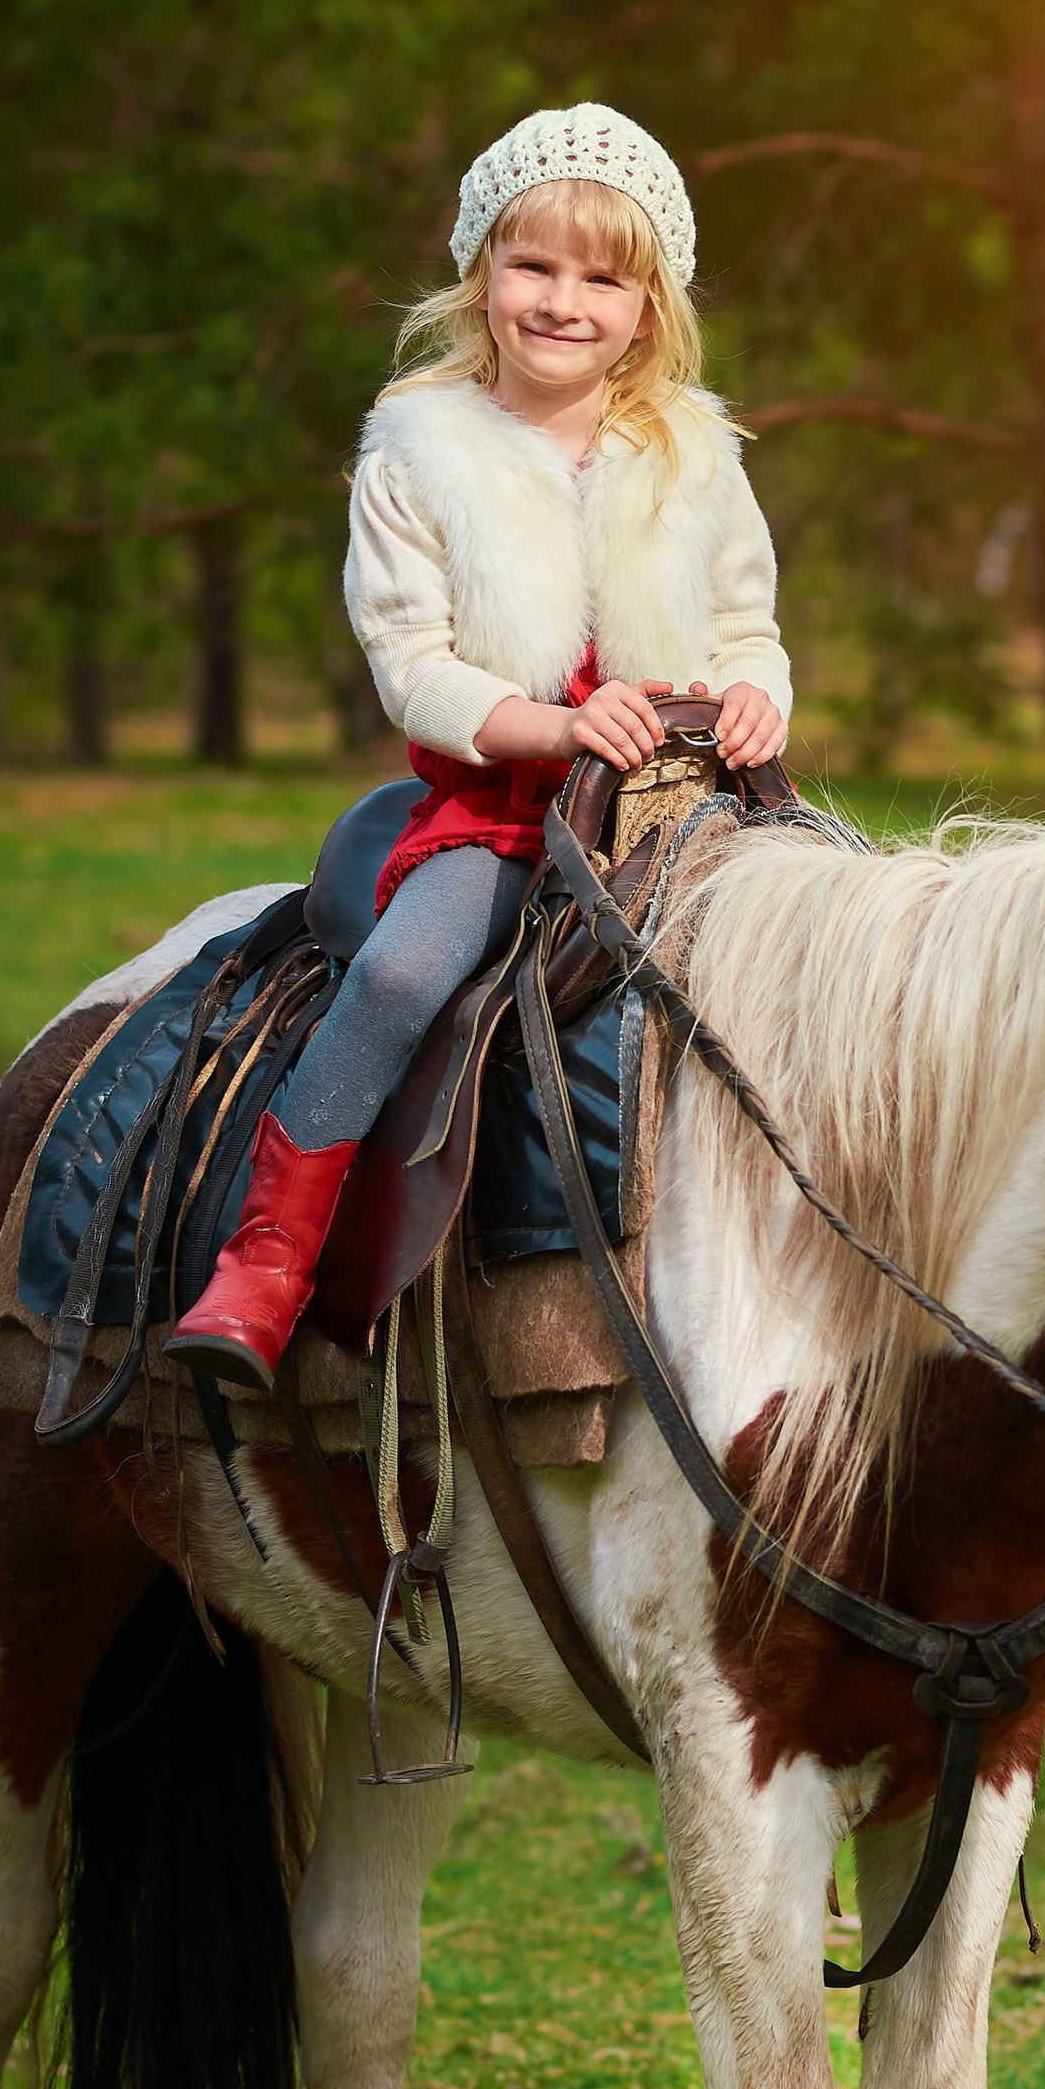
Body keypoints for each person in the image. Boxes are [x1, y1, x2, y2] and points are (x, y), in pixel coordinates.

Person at [168, 101, 793, 1389]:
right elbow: (415, 667)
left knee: (834, 950)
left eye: (603, 277)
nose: (565, 301)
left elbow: (747, 621)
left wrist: (753, 697)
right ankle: (268, 1257)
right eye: (535, 264)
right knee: (403, 978)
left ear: (649, 303)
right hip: (510, 811)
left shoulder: (691, 453)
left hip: (683, 810)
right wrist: (558, 726)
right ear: (481, 273)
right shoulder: (418, 454)